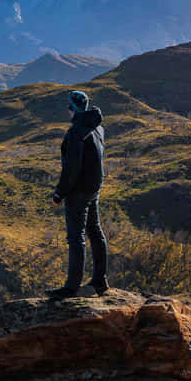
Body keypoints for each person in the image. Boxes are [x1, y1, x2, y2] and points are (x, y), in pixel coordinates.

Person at [45, 90, 109, 299]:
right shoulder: (97, 127)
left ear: (72, 108)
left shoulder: (76, 132)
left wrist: (59, 194)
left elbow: (71, 169)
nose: (68, 110)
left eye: (68, 107)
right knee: (95, 232)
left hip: (78, 191)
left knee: (76, 238)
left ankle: (72, 287)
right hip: (94, 188)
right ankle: (100, 280)